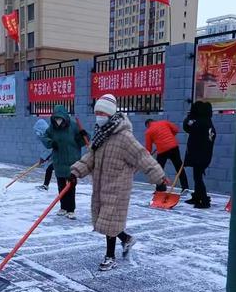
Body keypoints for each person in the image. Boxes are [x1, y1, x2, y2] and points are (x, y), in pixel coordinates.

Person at [70, 94, 166, 271]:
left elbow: (141, 156)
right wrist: (76, 172)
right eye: (96, 112)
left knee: (109, 221)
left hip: (118, 187)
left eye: (102, 112)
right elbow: (90, 157)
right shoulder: (101, 135)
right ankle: (127, 239)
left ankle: (110, 256)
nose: (98, 116)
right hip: (101, 185)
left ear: (110, 114)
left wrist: (158, 178)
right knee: (105, 221)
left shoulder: (124, 137)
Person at [42, 105, 87, 219]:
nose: (58, 121)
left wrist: (83, 136)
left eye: (60, 118)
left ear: (65, 117)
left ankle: (71, 209)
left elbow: (84, 141)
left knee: (71, 187)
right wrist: (51, 143)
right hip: (59, 161)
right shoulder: (52, 128)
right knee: (61, 186)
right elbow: (44, 137)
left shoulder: (73, 125)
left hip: (72, 162)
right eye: (56, 119)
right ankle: (63, 207)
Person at [183, 101, 216, 209]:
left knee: (197, 178)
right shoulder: (208, 122)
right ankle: (197, 196)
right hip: (205, 155)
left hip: (199, 155)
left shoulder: (200, 122)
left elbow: (187, 126)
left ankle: (204, 200)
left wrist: (189, 117)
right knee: (197, 176)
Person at [145, 118, 189, 193]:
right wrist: (170, 136)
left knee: (159, 169)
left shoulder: (148, 131)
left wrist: (147, 156)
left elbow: (148, 147)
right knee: (178, 166)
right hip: (174, 147)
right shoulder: (164, 122)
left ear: (148, 124)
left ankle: (160, 188)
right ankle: (185, 186)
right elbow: (176, 130)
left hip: (162, 150)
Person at [34, 118, 53, 191]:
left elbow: (50, 148)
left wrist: (43, 157)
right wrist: (46, 157)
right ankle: (45, 185)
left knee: (53, 169)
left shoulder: (49, 134)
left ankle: (66, 187)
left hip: (61, 156)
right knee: (50, 168)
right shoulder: (46, 134)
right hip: (56, 156)